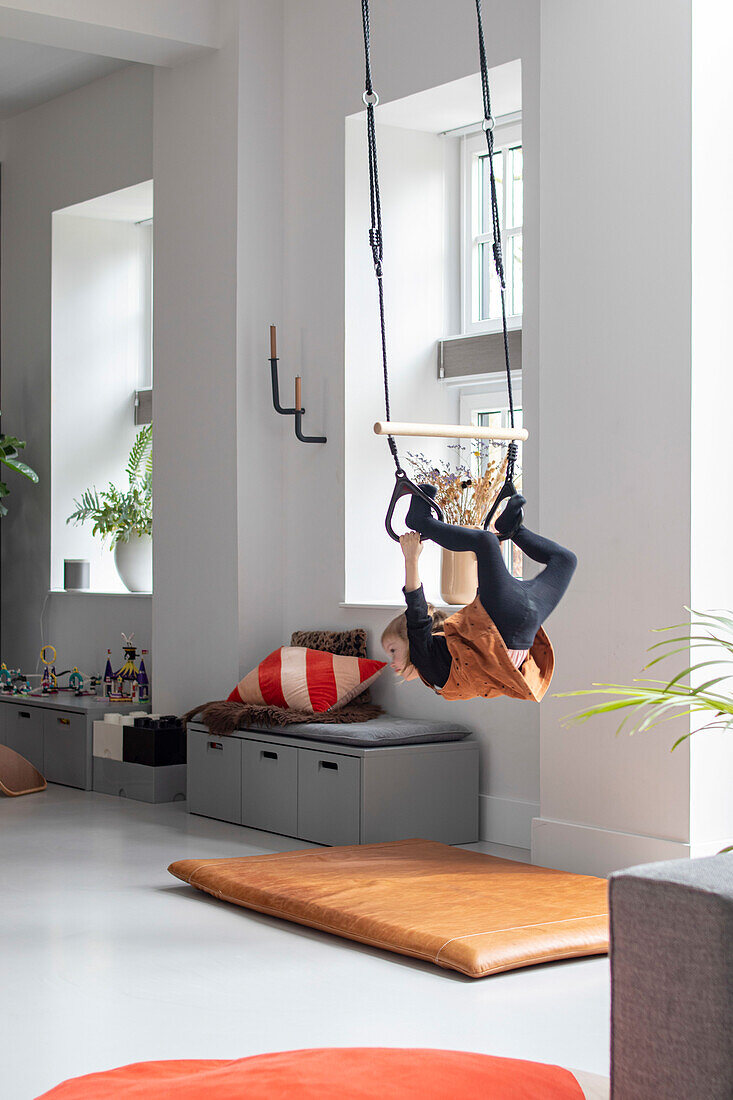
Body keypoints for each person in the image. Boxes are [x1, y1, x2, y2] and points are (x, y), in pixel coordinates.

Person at [381, 487, 577, 702]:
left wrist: (411, 559)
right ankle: (512, 530)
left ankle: (422, 521)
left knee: (488, 542)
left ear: (410, 640)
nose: (391, 662)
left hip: (508, 621)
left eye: (392, 649)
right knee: (565, 560)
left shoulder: (425, 659)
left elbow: (417, 616)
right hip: (525, 623)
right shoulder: (441, 663)